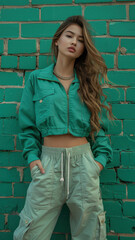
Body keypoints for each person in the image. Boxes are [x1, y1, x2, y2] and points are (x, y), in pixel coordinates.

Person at [13, 15, 113, 240]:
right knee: (30, 233)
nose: (74, 42)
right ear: (57, 40)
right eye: (69, 36)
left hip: (84, 165)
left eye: (80, 40)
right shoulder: (37, 80)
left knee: (91, 235)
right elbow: (27, 125)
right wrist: (32, 158)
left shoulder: (89, 82)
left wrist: (97, 164)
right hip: (48, 164)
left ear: (82, 49)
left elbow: (100, 128)